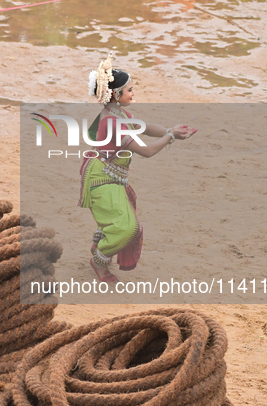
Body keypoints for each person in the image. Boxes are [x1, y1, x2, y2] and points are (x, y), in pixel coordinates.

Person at [80, 53, 197, 283]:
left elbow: (144, 127)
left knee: (119, 219)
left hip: (110, 175)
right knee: (129, 228)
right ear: (116, 95)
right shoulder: (113, 123)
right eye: (129, 90)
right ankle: (99, 261)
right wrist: (171, 137)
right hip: (102, 178)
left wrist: (167, 130)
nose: (133, 94)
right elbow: (147, 151)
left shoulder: (118, 113)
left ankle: (99, 248)